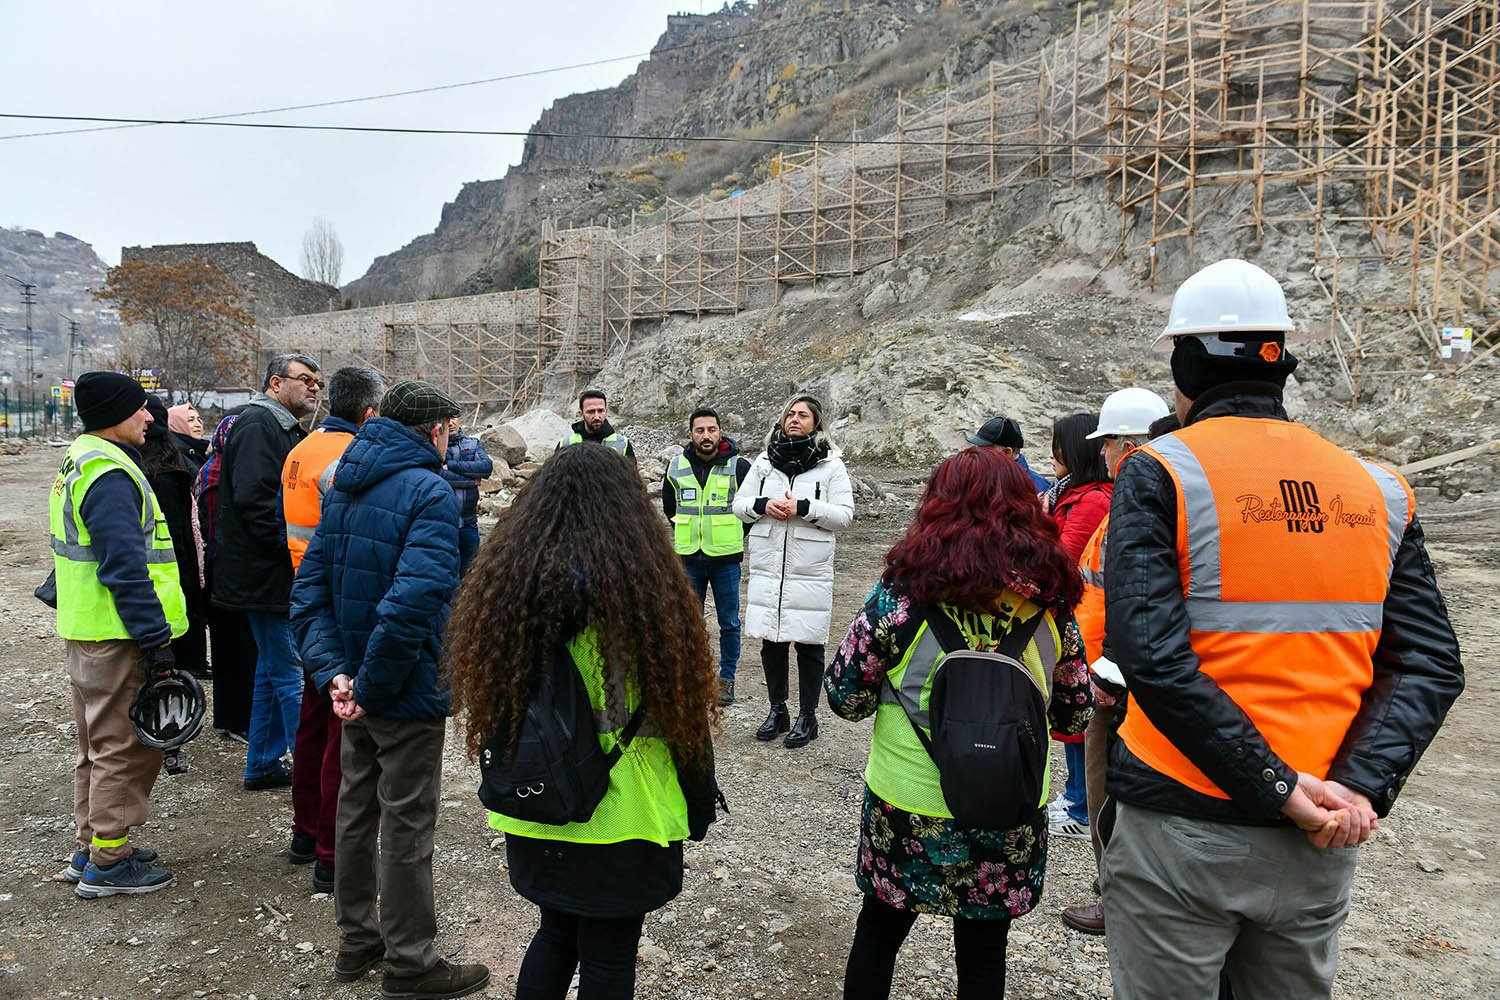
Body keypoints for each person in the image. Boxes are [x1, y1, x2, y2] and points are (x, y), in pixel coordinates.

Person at [1101, 258, 1465, 997]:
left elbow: (1152, 657)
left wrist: (1272, 785)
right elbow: (1431, 664)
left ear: (1185, 369)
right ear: (1282, 366)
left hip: (1183, 823)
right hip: (1320, 833)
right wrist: (1354, 790)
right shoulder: (1380, 489)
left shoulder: (1162, 470)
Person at [449, 442, 722, 1000]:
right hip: (626, 817)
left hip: (538, 808)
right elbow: (685, 728)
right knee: (609, 956)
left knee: (554, 936)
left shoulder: (509, 598)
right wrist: (698, 807)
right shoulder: (651, 605)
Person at [826, 448, 1092, 997]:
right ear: (1024, 508)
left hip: (908, 801)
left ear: (937, 506)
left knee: (878, 933)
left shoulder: (902, 596)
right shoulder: (1049, 604)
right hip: (1010, 804)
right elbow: (1076, 711)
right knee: (983, 956)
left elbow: (843, 696)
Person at [291, 380, 489, 999]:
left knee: (355, 811)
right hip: (396, 688)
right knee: (406, 825)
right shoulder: (429, 489)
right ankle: (410, 963)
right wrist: (369, 685)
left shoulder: (344, 483)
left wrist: (335, 677)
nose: (452, 440)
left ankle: (358, 941)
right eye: (450, 430)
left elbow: (309, 594)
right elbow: (415, 600)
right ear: (434, 430)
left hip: (355, 685)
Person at [51, 372, 186, 897]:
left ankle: (92, 845)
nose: (150, 417)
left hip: (89, 628)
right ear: (114, 414)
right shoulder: (108, 474)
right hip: (118, 633)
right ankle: (110, 858)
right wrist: (156, 639)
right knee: (122, 746)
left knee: (95, 743)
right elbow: (125, 568)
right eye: (139, 410)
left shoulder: (80, 459)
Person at [1057, 390, 1172, 937]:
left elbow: (1137, 602)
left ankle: (1119, 901)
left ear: (1125, 445)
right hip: (1111, 671)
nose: (1100, 454)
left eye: (1105, 444)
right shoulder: (1131, 502)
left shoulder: (1135, 506)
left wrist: (1105, 671)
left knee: (1111, 796)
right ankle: (1119, 895)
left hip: (1116, 680)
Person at [281, 366, 385, 895]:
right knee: (340, 740)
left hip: (306, 599)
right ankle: (329, 851)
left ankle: (303, 833)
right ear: (369, 413)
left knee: (312, 725)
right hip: (338, 607)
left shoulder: (302, 449)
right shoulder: (350, 459)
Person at [214, 353, 320, 791]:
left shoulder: (276, 426)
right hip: (265, 574)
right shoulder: (260, 425)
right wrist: (294, 552)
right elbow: (258, 504)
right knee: (291, 672)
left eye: (317, 381)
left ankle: (261, 762)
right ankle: (313, 773)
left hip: (263, 573)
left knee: (270, 671)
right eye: (304, 380)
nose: (314, 387)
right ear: (276, 383)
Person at [733, 394, 854, 748]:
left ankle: (808, 716)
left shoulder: (831, 465)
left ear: (816, 423)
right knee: (772, 642)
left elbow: (845, 515)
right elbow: (739, 505)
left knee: (809, 644)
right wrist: (763, 505)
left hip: (809, 568)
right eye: (790, 413)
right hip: (770, 566)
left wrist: (804, 506)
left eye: (803, 415)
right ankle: (777, 710)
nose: (795, 419)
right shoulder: (764, 462)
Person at [1039, 411, 1112, 842]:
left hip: (1087, 621)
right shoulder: (1069, 493)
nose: (1052, 455)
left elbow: (1061, 559)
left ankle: (1081, 807)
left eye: (1059, 445)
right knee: (1072, 712)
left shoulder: (1090, 500)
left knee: (1079, 714)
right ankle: (1076, 797)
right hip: (1077, 617)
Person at [661, 406, 751, 706]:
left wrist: (734, 535)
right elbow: (670, 509)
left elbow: (749, 511)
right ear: (690, 435)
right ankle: (693, 678)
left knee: (729, 623)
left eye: (711, 429)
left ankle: (726, 680)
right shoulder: (676, 466)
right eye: (700, 430)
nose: (706, 435)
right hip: (688, 559)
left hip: (725, 559)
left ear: (720, 432)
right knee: (689, 622)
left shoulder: (739, 467)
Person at [139, 395, 208, 678]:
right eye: (189, 420)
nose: (198, 424)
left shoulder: (164, 463)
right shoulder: (166, 469)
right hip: (171, 574)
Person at [198, 411, 256, 742]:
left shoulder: (222, 470)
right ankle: (235, 719)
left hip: (225, 572)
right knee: (233, 650)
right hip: (224, 574)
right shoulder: (217, 474)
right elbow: (216, 529)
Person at [441, 415, 494, 575]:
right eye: (446, 419)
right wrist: (472, 481)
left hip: (468, 523)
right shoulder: (436, 446)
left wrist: (451, 465)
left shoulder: (472, 443)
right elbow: (438, 474)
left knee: (470, 574)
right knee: (445, 573)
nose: (450, 422)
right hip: (443, 523)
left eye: (454, 417)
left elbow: (485, 468)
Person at [966, 414, 1049, 490]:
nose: (977, 454)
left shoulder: (1038, 487)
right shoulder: (977, 479)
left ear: (1007, 453)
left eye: (984, 450)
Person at [557, 388, 635, 460]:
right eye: (590, 412)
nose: (596, 416)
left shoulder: (622, 443)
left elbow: (631, 474)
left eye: (600, 411)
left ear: (606, 412)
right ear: (581, 413)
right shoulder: (565, 444)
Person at [167, 402, 208, 476]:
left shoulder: (198, 451)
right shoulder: (174, 455)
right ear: (176, 424)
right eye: (190, 420)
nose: (198, 425)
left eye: (199, 420)